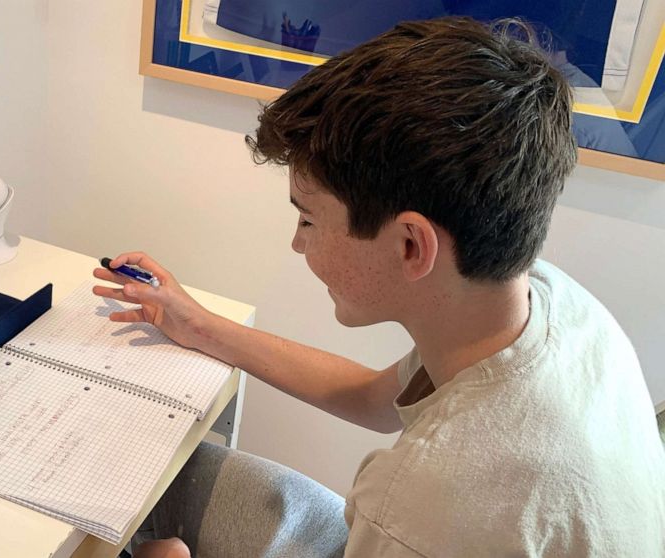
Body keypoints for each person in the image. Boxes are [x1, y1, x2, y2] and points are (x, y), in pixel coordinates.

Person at [92, 17, 665, 558]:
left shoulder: (429, 502)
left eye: (309, 219)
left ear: (411, 245)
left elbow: (421, 510)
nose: (297, 243)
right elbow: (376, 398)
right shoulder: (543, 300)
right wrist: (194, 322)